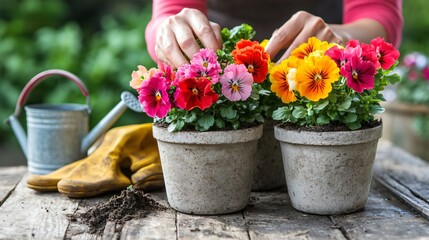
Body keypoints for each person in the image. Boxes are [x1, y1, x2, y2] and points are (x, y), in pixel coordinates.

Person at [145, 0, 403, 68]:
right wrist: (171, 33)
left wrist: (341, 38)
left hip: (317, 68)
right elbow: (168, 13)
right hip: (223, 66)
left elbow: (379, 16)